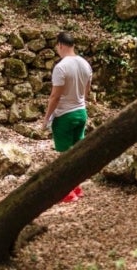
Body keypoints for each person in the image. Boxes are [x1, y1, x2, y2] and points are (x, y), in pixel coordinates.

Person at [43, 32, 93, 203]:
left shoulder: (61, 67)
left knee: (64, 157)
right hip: (81, 113)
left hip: (65, 115)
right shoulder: (85, 64)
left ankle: (67, 192)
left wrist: (47, 118)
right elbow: (87, 92)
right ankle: (77, 187)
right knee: (77, 154)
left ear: (60, 45)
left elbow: (55, 96)